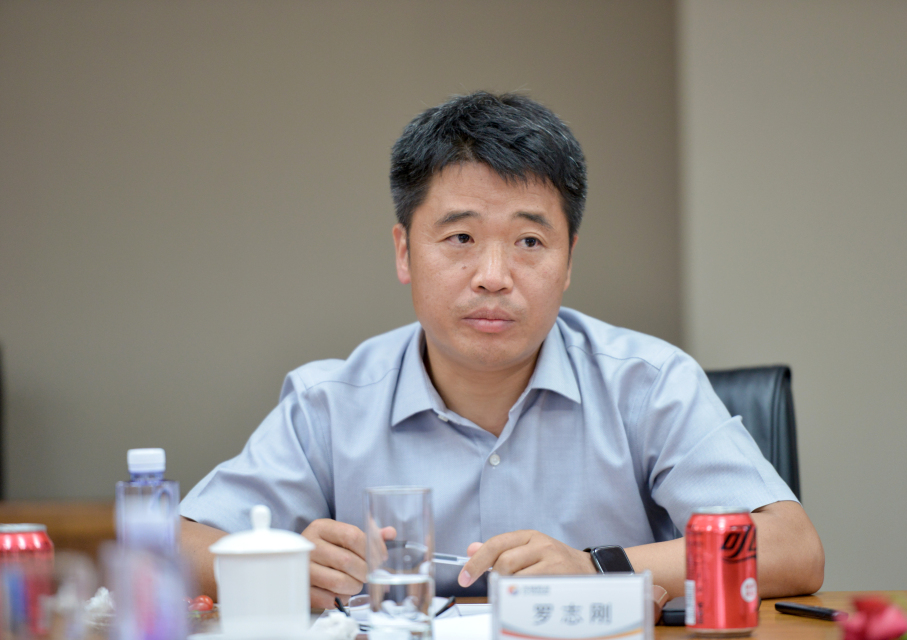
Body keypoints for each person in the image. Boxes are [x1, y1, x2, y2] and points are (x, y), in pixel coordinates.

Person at [180, 91, 824, 612]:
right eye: (460, 238)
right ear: (405, 252)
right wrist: (282, 565)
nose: (493, 276)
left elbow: (792, 548)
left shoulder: (648, 385)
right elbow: (175, 547)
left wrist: (596, 568)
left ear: (568, 261)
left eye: (529, 243)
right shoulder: (330, 404)